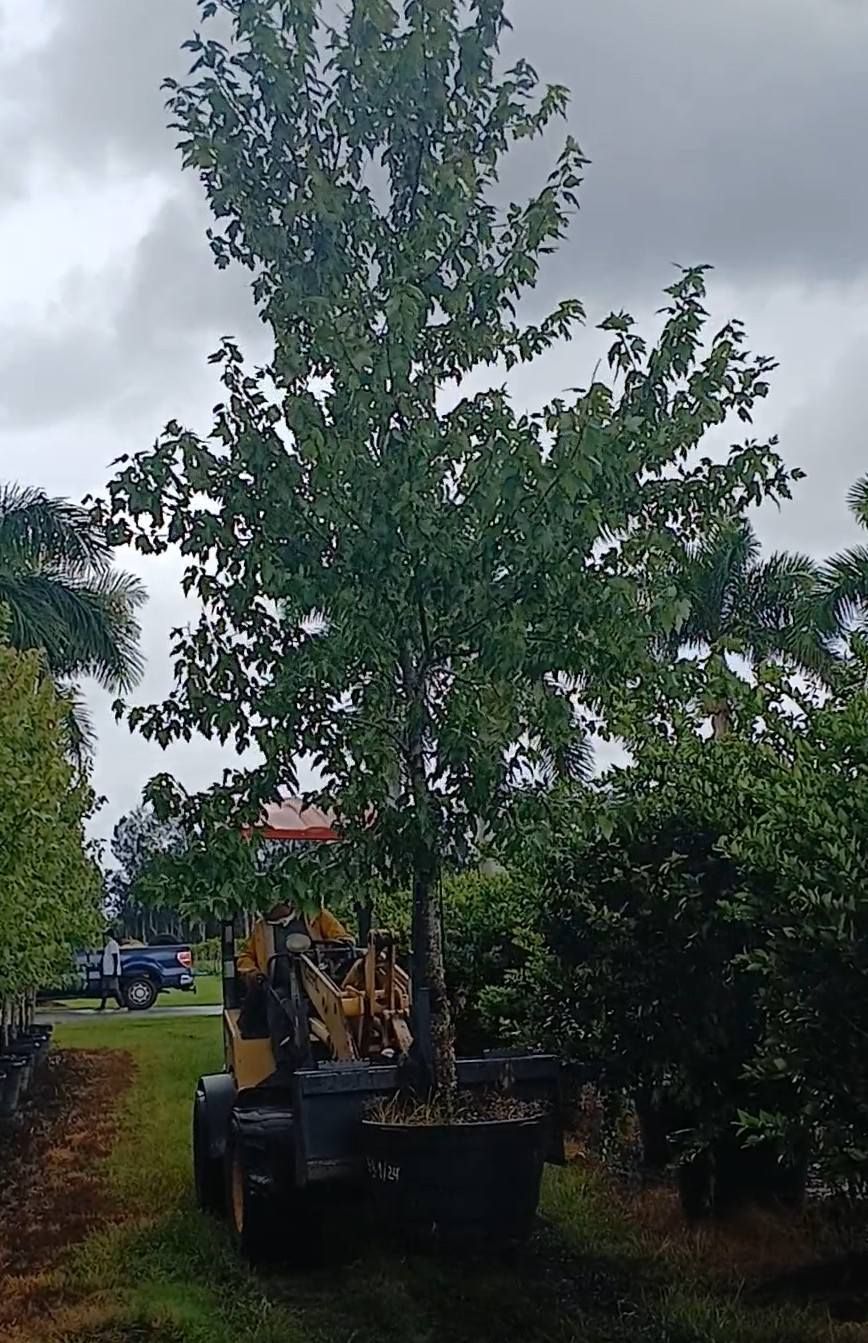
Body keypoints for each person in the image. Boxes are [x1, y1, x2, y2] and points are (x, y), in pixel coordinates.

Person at [236, 902, 352, 1037]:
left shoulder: (314, 915)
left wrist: (333, 951)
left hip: (321, 986)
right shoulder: (261, 928)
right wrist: (253, 973)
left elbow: (343, 939)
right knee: (283, 1009)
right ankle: (290, 1053)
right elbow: (246, 957)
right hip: (280, 989)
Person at [97, 928, 123, 1011]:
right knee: (105, 988)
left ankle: (122, 1004)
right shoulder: (108, 945)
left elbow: (115, 957)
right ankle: (102, 1005)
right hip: (107, 970)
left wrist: (115, 970)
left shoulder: (113, 944)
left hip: (111, 970)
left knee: (114, 989)